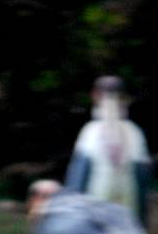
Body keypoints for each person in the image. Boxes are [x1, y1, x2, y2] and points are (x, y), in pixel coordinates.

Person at [64, 76, 152, 226]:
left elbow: (77, 181)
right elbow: (142, 182)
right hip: (112, 214)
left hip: (109, 214)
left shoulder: (92, 133)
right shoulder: (133, 134)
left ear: (94, 95)